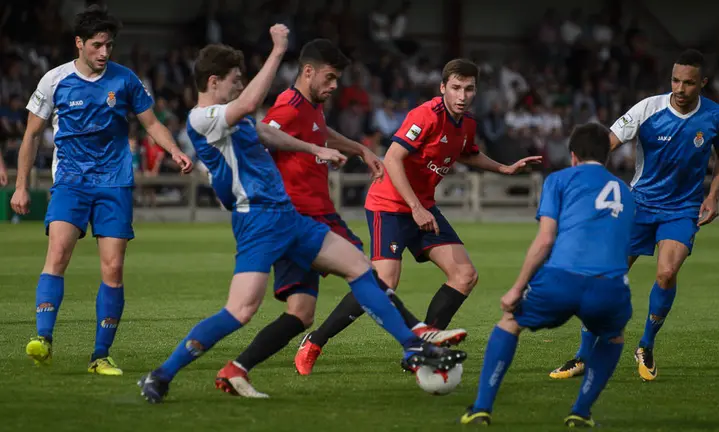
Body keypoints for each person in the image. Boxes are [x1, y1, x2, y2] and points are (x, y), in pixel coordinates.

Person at [138, 26, 465, 403]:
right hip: (257, 221)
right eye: (234, 80)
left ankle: (413, 345)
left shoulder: (235, 118)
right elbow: (247, 107)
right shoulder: (202, 118)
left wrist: (315, 149)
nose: (239, 86)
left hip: (289, 217)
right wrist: (278, 51)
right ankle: (162, 374)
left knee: (360, 267)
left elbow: (268, 133)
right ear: (214, 81)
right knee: (240, 310)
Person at [216, 39, 467, 385]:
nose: (335, 86)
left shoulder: (310, 105)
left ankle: (236, 370)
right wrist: (303, 154)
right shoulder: (288, 105)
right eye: (330, 78)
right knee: (367, 273)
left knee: (300, 314)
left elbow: (319, 132)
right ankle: (417, 338)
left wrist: (357, 149)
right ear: (308, 72)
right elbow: (263, 133)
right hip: (297, 220)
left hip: (308, 218)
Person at [295, 58, 541, 374]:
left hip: (421, 206)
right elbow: (394, 159)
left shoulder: (467, 124)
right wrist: (415, 206)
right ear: (443, 88)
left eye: (468, 89)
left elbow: (468, 152)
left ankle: (423, 348)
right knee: (382, 282)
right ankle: (315, 341)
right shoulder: (425, 115)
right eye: (455, 88)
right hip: (390, 204)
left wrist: (504, 168)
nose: (462, 96)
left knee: (465, 275)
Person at [10, 5, 193, 376]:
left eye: (109, 45)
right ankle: (43, 340)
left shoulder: (126, 81)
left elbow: (151, 123)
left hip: (115, 184)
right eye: (97, 45)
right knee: (58, 254)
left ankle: (100, 355)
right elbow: (30, 135)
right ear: (79, 43)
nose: (104, 53)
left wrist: (174, 151)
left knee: (113, 268)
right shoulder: (54, 80)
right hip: (71, 183)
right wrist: (21, 186)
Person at [550, 49, 719, 382]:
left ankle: (645, 345)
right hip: (640, 205)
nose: (679, 88)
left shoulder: (716, 117)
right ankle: (581, 357)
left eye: (689, 83)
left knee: (666, 274)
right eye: (675, 80)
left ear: (702, 83)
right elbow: (609, 141)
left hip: (682, 209)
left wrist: (714, 195)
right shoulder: (648, 109)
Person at [460, 123, 635, 427]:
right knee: (614, 336)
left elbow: (545, 240)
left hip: (561, 279)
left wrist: (517, 288)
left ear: (573, 156)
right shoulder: (626, 192)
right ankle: (580, 412)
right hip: (609, 285)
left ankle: (481, 408)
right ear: (607, 156)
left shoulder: (559, 180)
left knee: (510, 322)